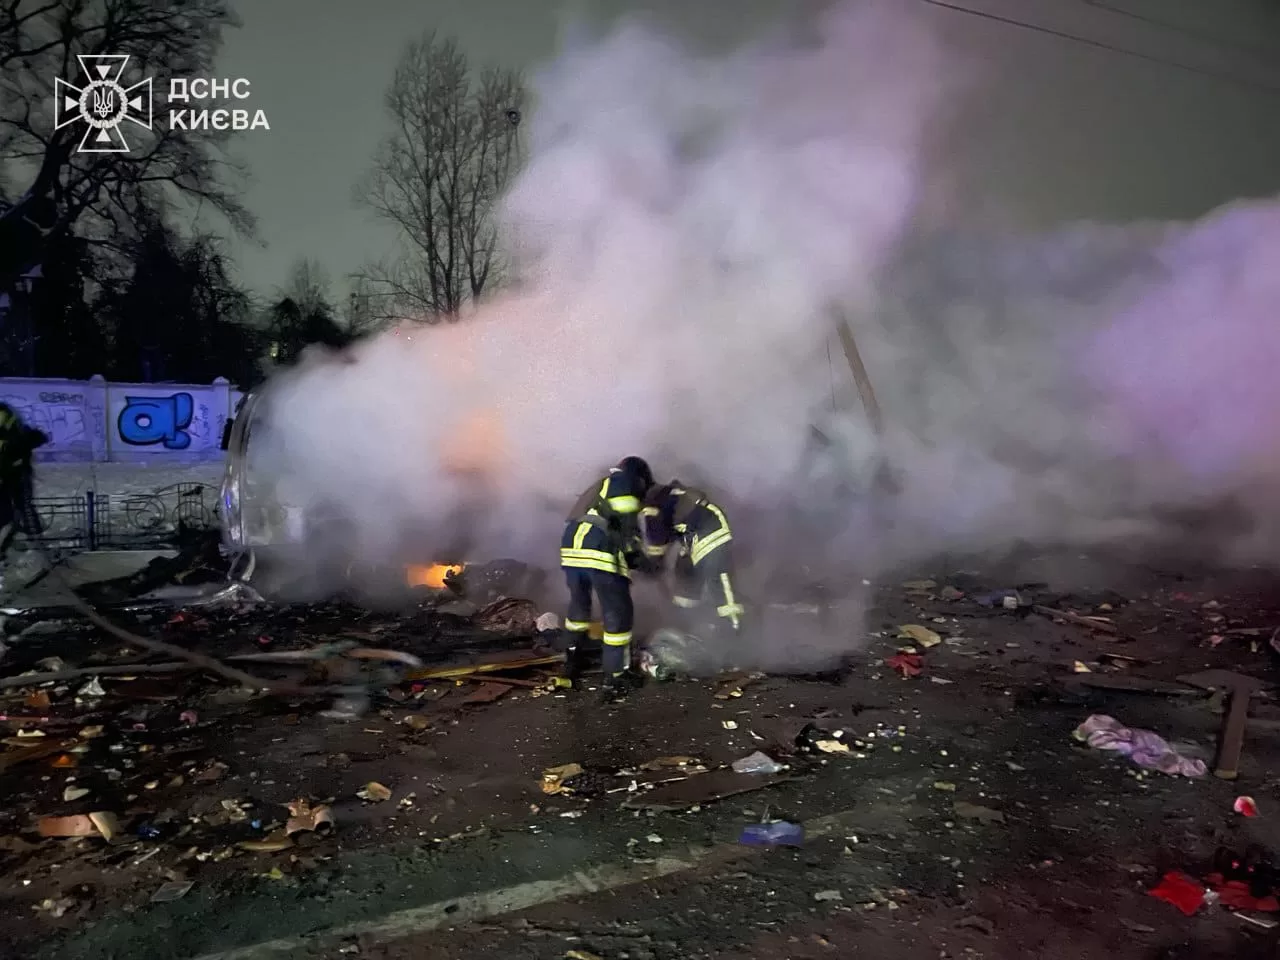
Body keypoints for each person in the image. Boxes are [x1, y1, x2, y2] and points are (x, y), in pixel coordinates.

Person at [559, 456, 655, 699]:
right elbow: (627, 530)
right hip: (598, 551)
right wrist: (639, 559)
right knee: (617, 612)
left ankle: (572, 660)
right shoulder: (625, 482)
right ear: (640, 478)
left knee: (578, 608)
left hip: (571, 551)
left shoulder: (600, 486)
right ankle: (616, 676)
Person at [641, 480, 745, 638]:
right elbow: (668, 534)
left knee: (717, 579)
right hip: (692, 536)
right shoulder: (667, 497)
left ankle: (734, 628)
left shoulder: (652, 502)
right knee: (684, 573)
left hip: (710, 529)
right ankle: (685, 625)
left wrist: (654, 562)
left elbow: (657, 537)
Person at [0, 403, 47, 560]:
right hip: (12, 474)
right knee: (17, 509)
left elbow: (34, 438)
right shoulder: (10, 422)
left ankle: (34, 540)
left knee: (20, 508)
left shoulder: (11, 422)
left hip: (15, 473)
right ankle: (33, 539)